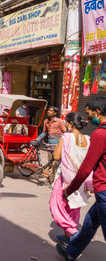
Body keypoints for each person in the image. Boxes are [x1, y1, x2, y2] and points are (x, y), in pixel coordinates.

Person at [57, 97, 106, 261]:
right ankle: (71, 252)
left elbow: (86, 168)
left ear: (97, 112)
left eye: (89, 113)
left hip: (104, 189)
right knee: (90, 223)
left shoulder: (100, 134)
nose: (88, 117)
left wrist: (69, 190)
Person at [50, 112, 92, 245]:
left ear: (71, 123)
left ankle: (73, 233)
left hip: (65, 178)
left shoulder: (66, 137)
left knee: (56, 206)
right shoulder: (88, 138)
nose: (66, 124)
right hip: (81, 180)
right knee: (73, 207)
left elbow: (56, 157)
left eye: (67, 122)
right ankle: (68, 237)